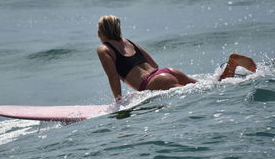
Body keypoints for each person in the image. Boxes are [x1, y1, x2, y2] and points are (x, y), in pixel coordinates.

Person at [96, 15, 257, 102]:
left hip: (153, 82)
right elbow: (153, 64)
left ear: (101, 32)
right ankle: (232, 63)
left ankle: (232, 63)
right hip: (166, 72)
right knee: (212, 88)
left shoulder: (104, 49)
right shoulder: (128, 42)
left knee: (202, 95)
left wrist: (118, 102)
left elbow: (113, 76)